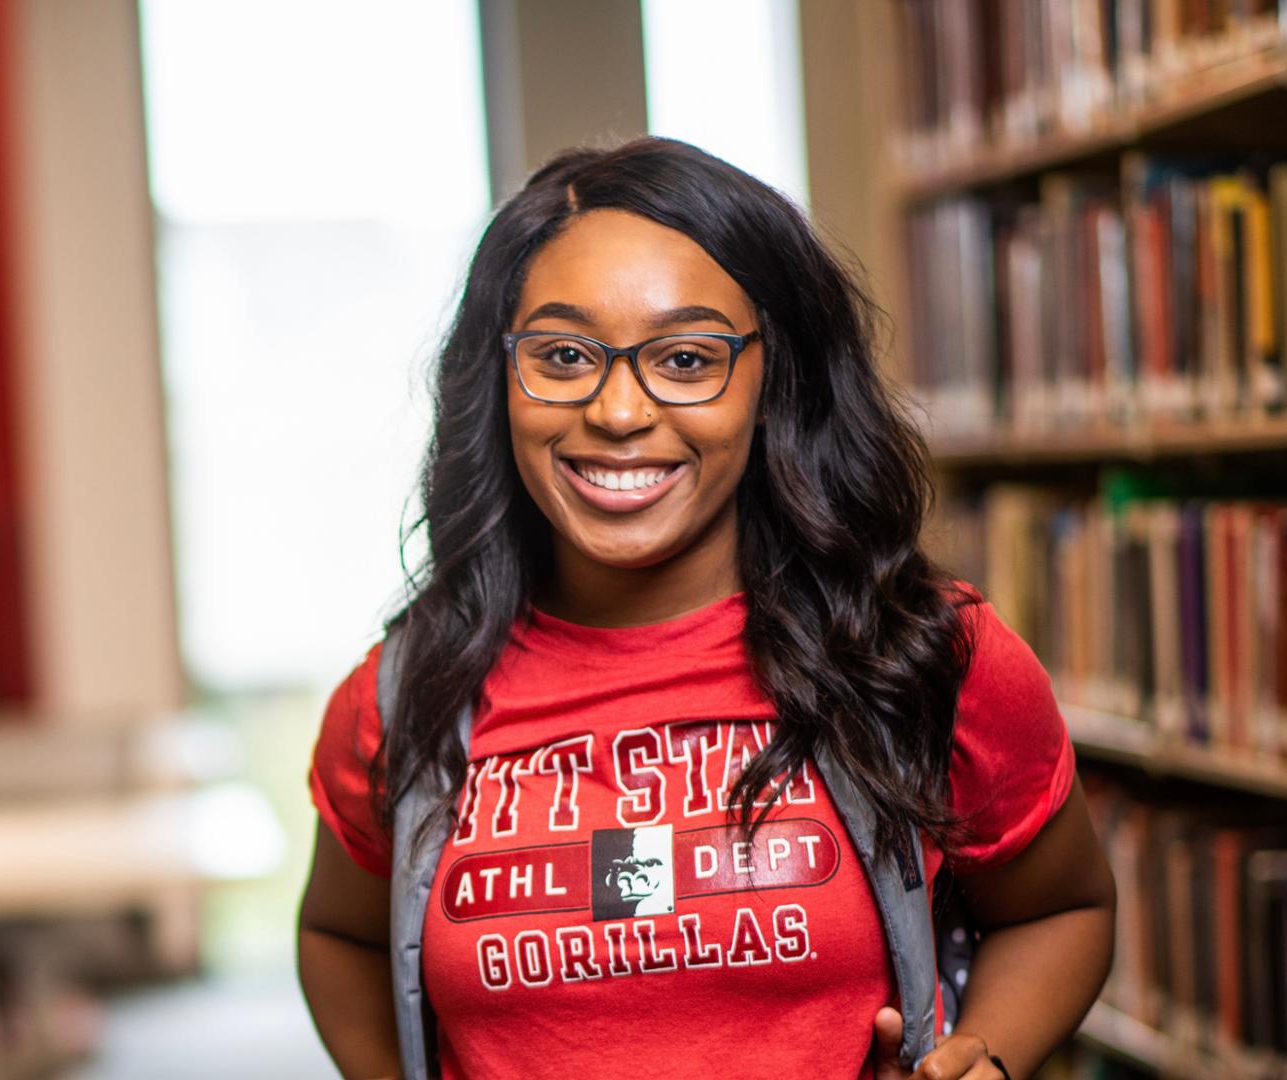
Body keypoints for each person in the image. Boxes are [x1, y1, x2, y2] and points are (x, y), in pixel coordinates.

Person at [299, 137, 1116, 1080]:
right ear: (501, 376)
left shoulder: (922, 655)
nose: (616, 411)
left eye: (687, 358)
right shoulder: (404, 702)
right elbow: (340, 936)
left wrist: (991, 1059)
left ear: (777, 381)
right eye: (563, 354)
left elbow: (1060, 909)